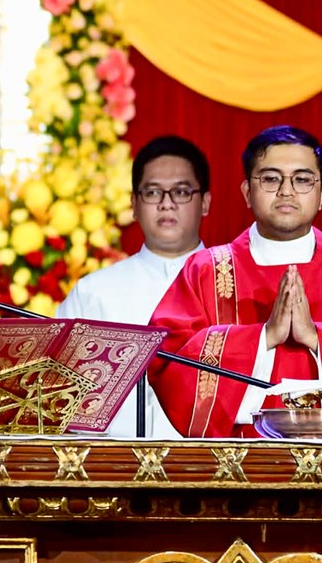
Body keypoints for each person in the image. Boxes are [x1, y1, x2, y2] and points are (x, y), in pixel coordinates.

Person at [150, 126, 322, 436]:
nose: (286, 191)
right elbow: (165, 362)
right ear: (247, 193)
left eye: (303, 180)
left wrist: (319, 338)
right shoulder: (206, 270)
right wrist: (264, 337)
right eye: (270, 178)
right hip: (237, 466)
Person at [56, 135, 211, 437]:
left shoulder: (230, 287)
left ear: (205, 202)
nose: (167, 204)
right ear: (134, 205)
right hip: (112, 471)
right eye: (153, 192)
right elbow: (56, 392)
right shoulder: (94, 292)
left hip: (213, 470)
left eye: (181, 191)